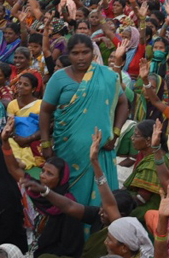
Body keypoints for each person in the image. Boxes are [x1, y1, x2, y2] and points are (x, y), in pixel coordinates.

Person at [40, 34, 129, 208]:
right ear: (69, 54)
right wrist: (45, 143)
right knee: (68, 196)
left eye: (85, 52)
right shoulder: (59, 78)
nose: (81, 58)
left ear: (93, 54)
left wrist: (115, 134)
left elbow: (123, 102)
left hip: (101, 149)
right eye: (75, 53)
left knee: (99, 199)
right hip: (67, 149)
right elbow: (45, 110)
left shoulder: (105, 76)